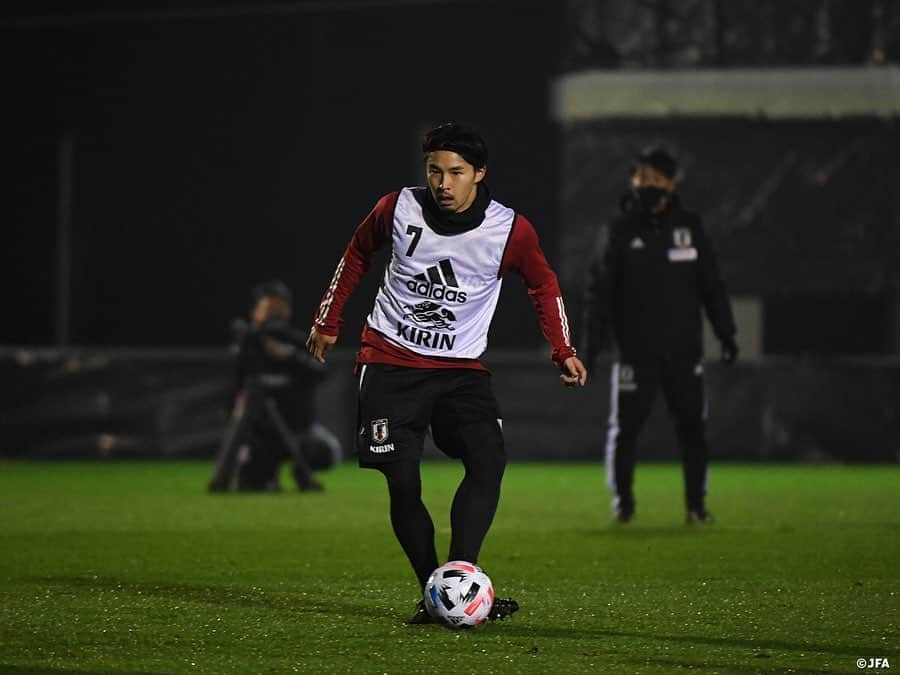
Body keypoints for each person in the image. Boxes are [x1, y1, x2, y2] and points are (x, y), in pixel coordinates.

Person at [306, 122, 587, 624]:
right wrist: (328, 320)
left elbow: (544, 285)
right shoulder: (396, 208)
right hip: (389, 363)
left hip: (461, 371)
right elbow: (356, 254)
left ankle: (460, 581)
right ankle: (433, 592)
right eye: (435, 171)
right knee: (403, 484)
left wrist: (562, 348)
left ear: (479, 174)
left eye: (456, 172)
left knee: (488, 460)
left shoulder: (509, 230)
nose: (443, 183)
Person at [581, 147, 738, 525]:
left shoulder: (690, 226)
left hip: (684, 352)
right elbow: (600, 293)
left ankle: (696, 507)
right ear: (633, 182)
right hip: (635, 353)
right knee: (626, 431)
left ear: (671, 183)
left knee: (693, 430)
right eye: (642, 178)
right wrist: (590, 349)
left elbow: (711, 286)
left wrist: (726, 334)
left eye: (656, 179)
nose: (648, 185)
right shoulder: (618, 230)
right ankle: (624, 506)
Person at [209, 281, 339, 493]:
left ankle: (301, 471)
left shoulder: (297, 343)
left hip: (299, 432)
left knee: (327, 451)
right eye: (268, 312)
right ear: (255, 313)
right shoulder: (249, 350)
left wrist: (287, 356)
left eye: (278, 312)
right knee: (251, 480)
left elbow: (320, 372)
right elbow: (233, 390)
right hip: (261, 437)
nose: (273, 320)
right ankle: (263, 473)